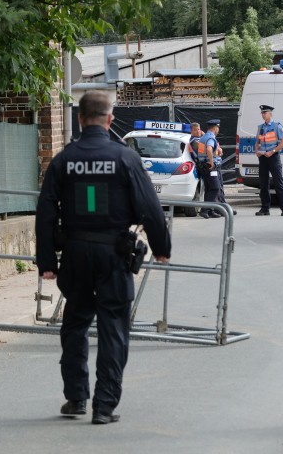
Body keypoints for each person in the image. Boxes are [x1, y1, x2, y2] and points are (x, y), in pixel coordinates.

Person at [35, 91, 170, 425]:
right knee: (113, 327)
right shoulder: (125, 158)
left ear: (80, 120)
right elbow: (151, 208)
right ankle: (105, 406)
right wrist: (162, 246)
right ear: (110, 120)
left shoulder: (63, 160)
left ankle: (77, 397)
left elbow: (46, 213)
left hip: (77, 253)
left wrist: (47, 262)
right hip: (114, 254)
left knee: (75, 324)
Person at [255, 104, 283, 216]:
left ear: (270, 114)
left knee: (278, 182)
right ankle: (265, 208)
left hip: (273, 157)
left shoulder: (276, 126)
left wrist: (273, 151)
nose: (262, 115)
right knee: (263, 184)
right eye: (262, 113)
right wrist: (257, 151)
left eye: (264, 113)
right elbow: (257, 142)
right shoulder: (260, 127)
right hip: (263, 158)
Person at [196, 119, 223, 219]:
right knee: (215, 188)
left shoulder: (203, 137)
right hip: (210, 167)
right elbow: (209, 149)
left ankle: (210, 211)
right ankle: (205, 209)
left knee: (209, 188)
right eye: (218, 128)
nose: (218, 130)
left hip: (204, 166)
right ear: (215, 128)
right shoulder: (211, 138)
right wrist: (211, 161)